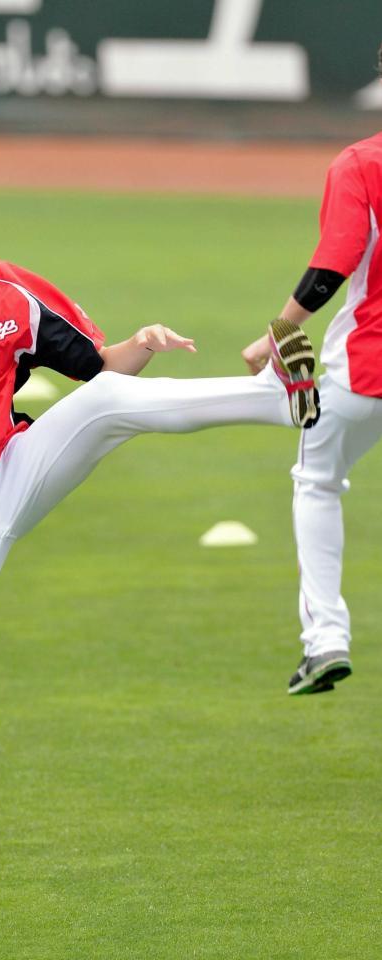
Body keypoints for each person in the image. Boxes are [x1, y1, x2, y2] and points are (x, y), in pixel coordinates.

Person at [0, 151, 319, 934]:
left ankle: (277, 398)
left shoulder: (10, 295)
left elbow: (97, 369)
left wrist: (139, 343)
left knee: (106, 401)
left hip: (9, 472)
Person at [242, 51, 382, 695]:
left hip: (367, 370)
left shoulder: (360, 164)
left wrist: (280, 332)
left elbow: (333, 265)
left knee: (318, 481)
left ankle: (325, 638)